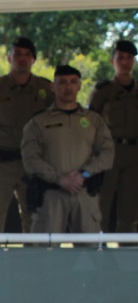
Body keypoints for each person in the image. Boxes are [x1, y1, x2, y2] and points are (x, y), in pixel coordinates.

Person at [0, 37, 54, 268]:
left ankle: (34, 266)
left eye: (27, 54)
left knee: (33, 217)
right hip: (1, 162)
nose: (22, 58)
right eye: (17, 53)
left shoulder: (44, 89)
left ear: (33, 59)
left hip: (33, 164)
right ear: (9, 58)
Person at [22, 65, 114, 234]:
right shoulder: (38, 122)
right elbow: (30, 159)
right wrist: (59, 179)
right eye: (62, 82)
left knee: (89, 254)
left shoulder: (94, 120)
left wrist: (84, 174)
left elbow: (107, 153)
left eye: (73, 82)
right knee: (45, 254)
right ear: (53, 86)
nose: (68, 87)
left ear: (79, 86)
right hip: (51, 195)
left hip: (84, 193)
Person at [88, 40, 138, 232]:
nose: (125, 62)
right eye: (121, 58)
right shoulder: (104, 91)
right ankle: (98, 251)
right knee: (102, 204)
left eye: (129, 58)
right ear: (112, 61)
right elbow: (90, 122)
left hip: (134, 155)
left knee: (130, 208)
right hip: (110, 153)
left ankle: (126, 255)